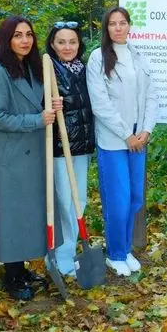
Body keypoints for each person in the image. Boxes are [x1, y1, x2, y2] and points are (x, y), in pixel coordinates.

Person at [0, 15, 63, 301]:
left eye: (28, 34)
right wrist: (37, 119)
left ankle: (23, 268)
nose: (25, 40)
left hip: (32, 152)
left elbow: (37, 105)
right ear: (7, 39)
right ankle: (12, 275)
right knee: (12, 215)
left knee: (30, 213)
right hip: (10, 154)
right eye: (18, 35)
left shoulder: (31, 68)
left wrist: (52, 104)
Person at [87, 6, 157, 277]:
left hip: (138, 140)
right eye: (112, 24)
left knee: (135, 198)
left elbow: (152, 96)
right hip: (114, 141)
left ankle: (125, 249)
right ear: (106, 29)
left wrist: (146, 131)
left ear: (129, 26)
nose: (118, 28)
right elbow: (100, 104)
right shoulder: (98, 58)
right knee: (118, 199)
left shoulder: (139, 56)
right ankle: (114, 253)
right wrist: (126, 134)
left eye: (122, 23)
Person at [45, 21, 95, 276]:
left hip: (81, 146)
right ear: (53, 44)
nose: (67, 47)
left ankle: (69, 254)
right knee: (64, 201)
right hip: (59, 147)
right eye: (61, 42)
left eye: (72, 42)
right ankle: (59, 258)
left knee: (79, 201)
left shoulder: (84, 69)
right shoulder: (46, 68)